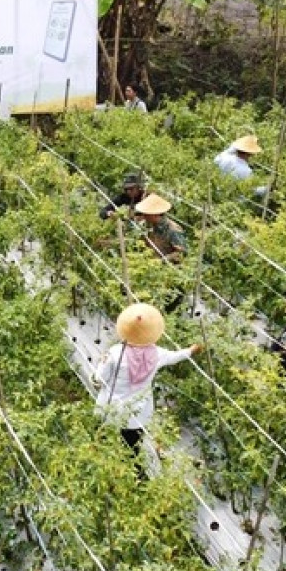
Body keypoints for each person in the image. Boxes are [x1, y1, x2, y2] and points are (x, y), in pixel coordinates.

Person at [94, 303, 202, 476]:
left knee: (104, 439)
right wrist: (191, 350)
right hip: (138, 411)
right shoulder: (157, 353)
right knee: (132, 447)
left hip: (111, 408)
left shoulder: (115, 353)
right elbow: (176, 357)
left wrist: (98, 376)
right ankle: (135, 476)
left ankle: (105, 468)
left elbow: (99, 379)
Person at [132, 193, 187, 263]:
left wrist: (161, 261)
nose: (144, 216)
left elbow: (181, 253)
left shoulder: (173, 229)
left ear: (155, 214)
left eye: (146, 214)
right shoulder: (151, 225)